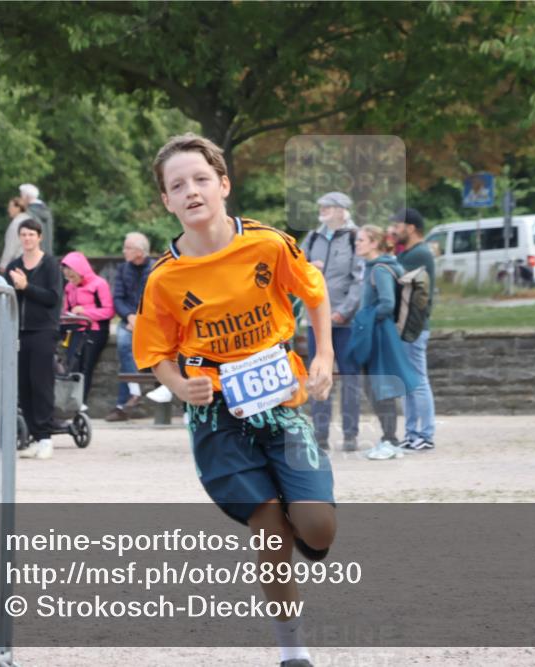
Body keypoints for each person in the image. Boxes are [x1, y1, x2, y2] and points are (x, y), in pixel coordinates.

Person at [132, 133, 336, 667]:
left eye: (201, 179)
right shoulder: (164, 279)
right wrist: (179, 386)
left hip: (282, 403)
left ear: (223, 184)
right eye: (178, 185)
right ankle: (293, 653)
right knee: (267, 526)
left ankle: (301, 513)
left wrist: (323, 357)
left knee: (316, 529)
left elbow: (314, 292)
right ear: (167, 201)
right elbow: (156, 352)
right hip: (216, 415)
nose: (191, 190)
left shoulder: (267, 244)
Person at [300, 191, 363, 452]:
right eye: (321, 206)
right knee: (317, 375)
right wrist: (306, 265)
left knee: (350, 377)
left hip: (345, 322)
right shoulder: (313, 236)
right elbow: (293, 264)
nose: (322, 209)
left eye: (327, 206)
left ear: (341, 210)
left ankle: (350, 435)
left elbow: (359, 280)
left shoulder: (354, 237)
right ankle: (320, 433)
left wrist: (344, 311)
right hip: (316, 319)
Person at [350, 225, 419, 461]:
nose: (356, 244)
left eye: (360, 240)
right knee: (375, 386)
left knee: (381, 387)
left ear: (373, 243)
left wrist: (364, 320)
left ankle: (391, 440)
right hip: (376, 332)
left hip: (379, 334)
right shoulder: (374, 267)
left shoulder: (379, 269)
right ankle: (388, 438)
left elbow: (387, 304)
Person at [5, 219, 63, 460]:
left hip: (43, 330)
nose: (27, 238)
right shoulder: (14, 265)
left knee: (41, 384)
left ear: (39, 237)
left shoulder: (50, 265)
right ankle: (33, 436)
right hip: (19, 331)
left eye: (31, 234)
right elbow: (9, 298)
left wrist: (26, 286)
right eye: (24, 234)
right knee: (24, 386)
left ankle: (46, 438)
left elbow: (52, 298)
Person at [391, 207, 437, 451]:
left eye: (398, 226)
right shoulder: (410, 253)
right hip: (405, 328)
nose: (394, 230)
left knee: (418, 380)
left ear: (411, 228)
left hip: (413, 328)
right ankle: (411, 433)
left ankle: (425, 434)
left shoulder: (418, 255)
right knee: (408, 381)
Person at [106, 232, 156, 422]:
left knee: (152, 350)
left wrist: (140, 319)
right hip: (128, 320)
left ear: (139, 251)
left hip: (150, 321)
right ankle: (135, 393)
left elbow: (156, 300)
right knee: (124, 343)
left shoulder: (154, 268)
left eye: (127, 247)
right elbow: (117, 298)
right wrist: (129, 316)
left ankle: (128, 400)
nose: (123, 251)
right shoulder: (122, 269)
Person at [60, 251, 115, 409]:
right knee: (72, 364)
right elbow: (67, 309)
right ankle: (72, 401)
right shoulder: (70, 287)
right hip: (76, 329)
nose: (71, 280)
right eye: (68, 277)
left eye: (73, 276)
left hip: (95, 329)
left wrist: (84, 312)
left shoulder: (99, 284)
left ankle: (81, 401)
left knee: (86, 364)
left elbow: (109, 311)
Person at [20, 183, 54, 256]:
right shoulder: (47, 212)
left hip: (33, 257)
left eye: (21, 196)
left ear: (27, 197)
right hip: (47, 256)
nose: (21, 199)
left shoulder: (28, 214)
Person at [0, 197, 32, 273]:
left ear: (18, 208)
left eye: (10, 207)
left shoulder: (16, 224)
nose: (8, 210)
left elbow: (11, 246)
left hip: (18, 264)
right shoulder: (30, 221)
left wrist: (3, 264)